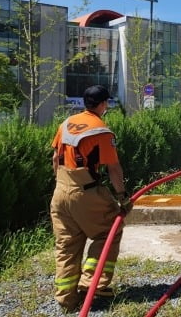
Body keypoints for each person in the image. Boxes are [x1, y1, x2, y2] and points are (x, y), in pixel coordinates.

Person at [50, 85, 131, 312]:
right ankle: (92, 283)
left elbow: (55, 158)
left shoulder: (66, 124)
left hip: (60, 191)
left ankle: (67, 299)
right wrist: (122, 197)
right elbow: (113, 168)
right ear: (103, 104)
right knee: (109, 231)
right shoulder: (101, 131)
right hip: (84, 190)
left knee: (66, 245)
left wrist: (62, 185)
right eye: (107, 103)